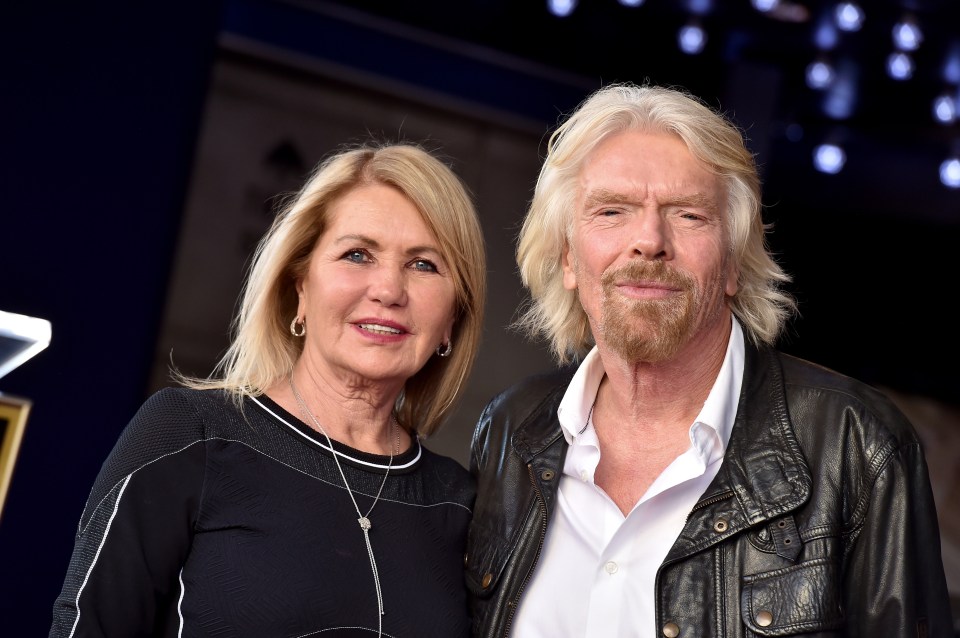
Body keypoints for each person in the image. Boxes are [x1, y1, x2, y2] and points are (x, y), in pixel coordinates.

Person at [465, 82, 953, 637]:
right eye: (611, 211)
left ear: (733, 265)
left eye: (689, 215)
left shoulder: (857, 446)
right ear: (568, 258)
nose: (649, 240)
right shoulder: (508, 431)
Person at [50, 141, 487, 637]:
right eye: (357, 254)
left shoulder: (461, 503)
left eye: (424, 264)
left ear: (453, 317)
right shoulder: (189, 437)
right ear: (300, 286)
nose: (389, 290)